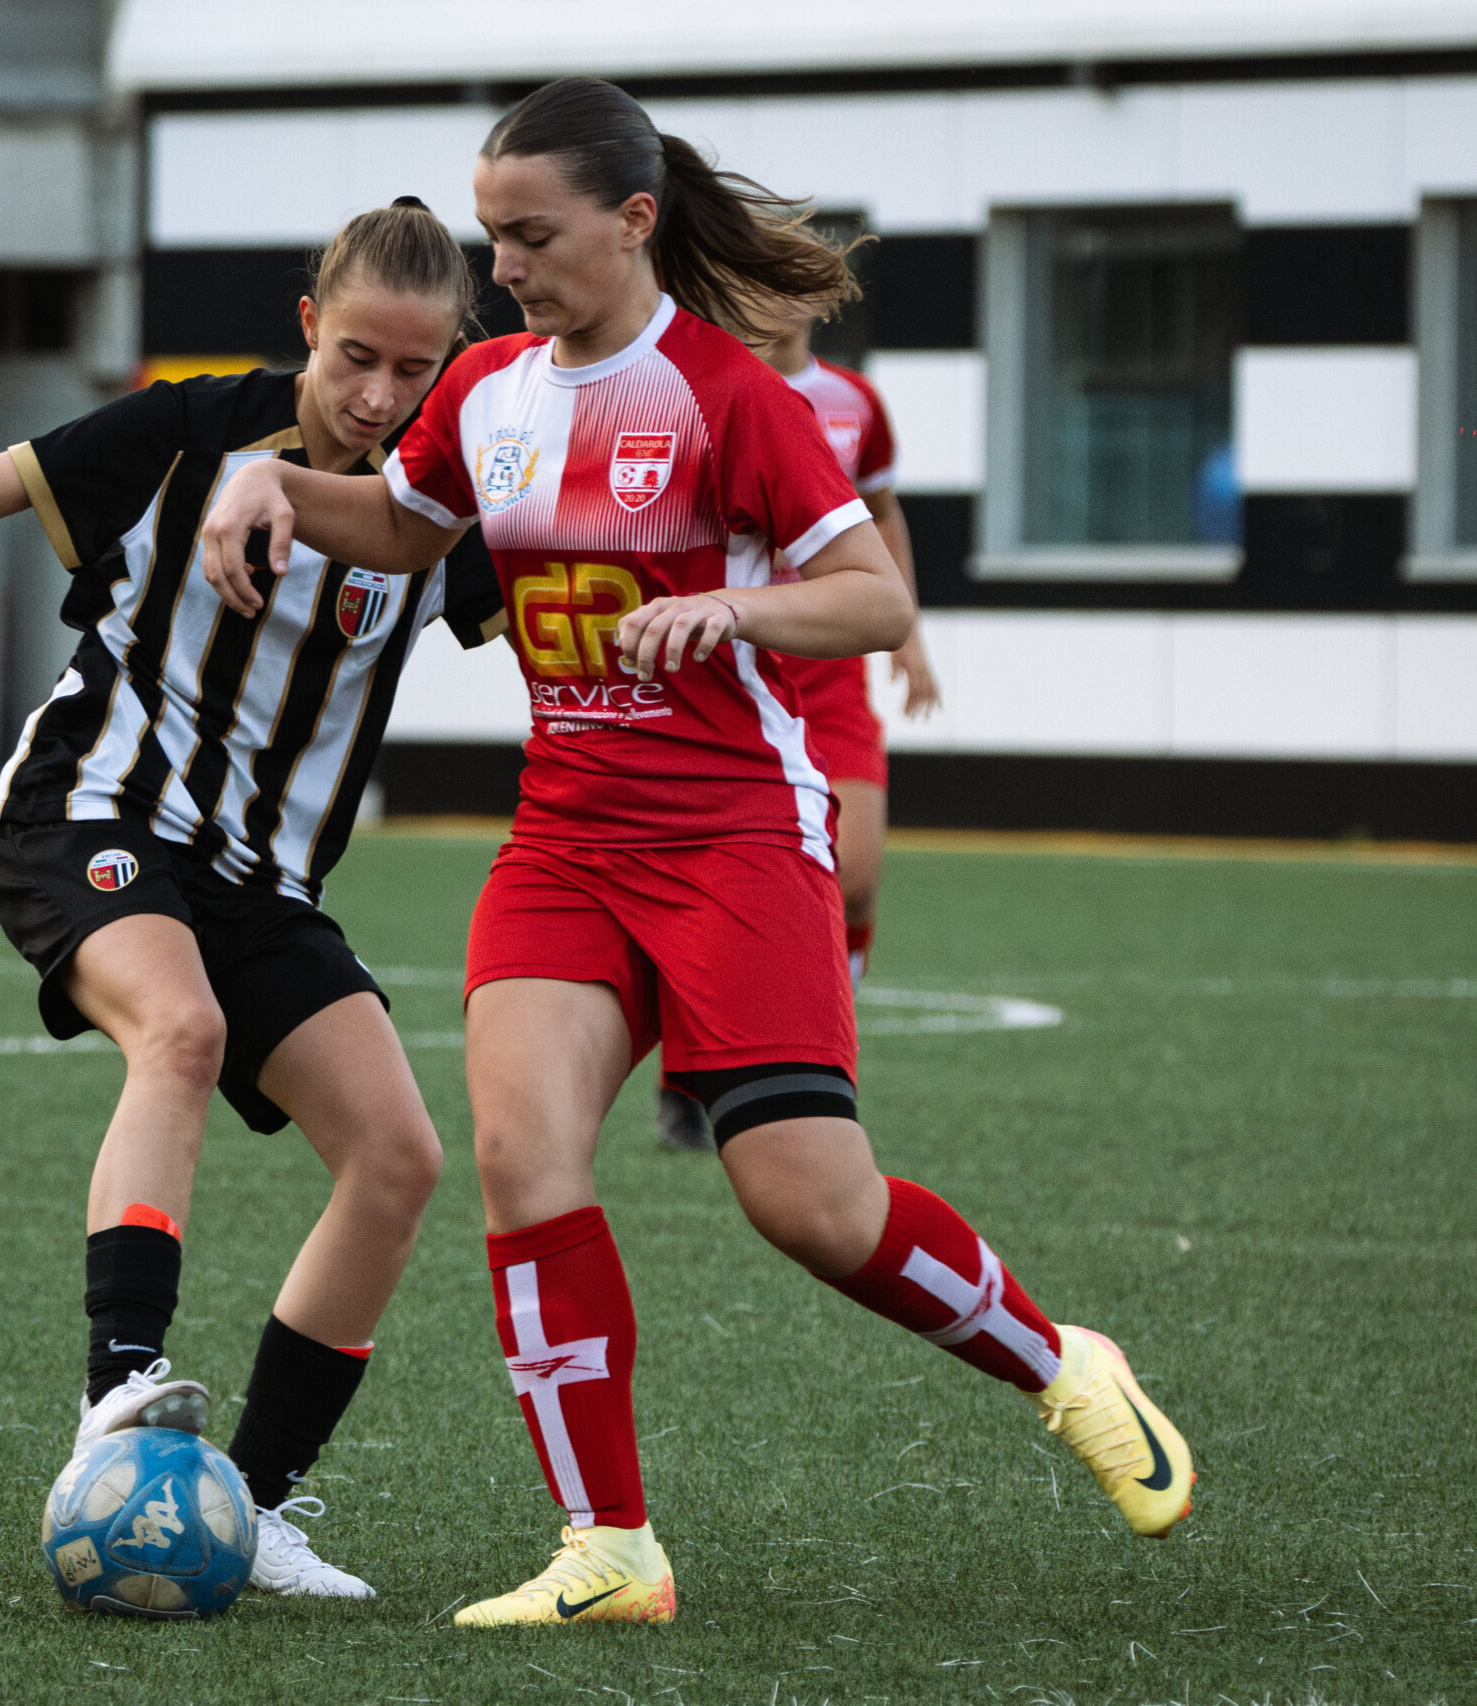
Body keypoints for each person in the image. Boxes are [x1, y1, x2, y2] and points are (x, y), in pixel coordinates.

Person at [194, 79, 1194, 1627]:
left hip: (737, 839)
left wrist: (738, 607)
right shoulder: (488, 392)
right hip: (566, 842)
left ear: (633, 219)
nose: (505, 265)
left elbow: (873, 600)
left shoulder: (731, 399)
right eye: (493, 235)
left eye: (531, 234)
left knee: (808, 1204)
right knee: (524, 1158)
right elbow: (403, 529)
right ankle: (612, 1549)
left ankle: (1067, 1364)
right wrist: (269, 480)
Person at [0, 201, 506, 1599]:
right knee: (176, 1029)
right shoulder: (189, 431)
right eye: (357, 355)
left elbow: (567, 618)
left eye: (413, 372)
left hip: (263, 875)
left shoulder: (443, 505)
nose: (378, 396)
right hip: (95, 810)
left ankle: (252, 1505)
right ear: (310, 325)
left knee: (400, 1156)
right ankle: (117, 1397)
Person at [655, 288, 941, 1151]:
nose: (760, 303)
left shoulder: (856, 404)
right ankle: (687, 1076)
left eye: (772, 283)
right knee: (708, 888)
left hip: (828, 673)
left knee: (854, 874)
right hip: (738, 672)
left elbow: (882, 517)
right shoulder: (707, 394)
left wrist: (911, 637)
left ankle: (828, 1049)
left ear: (814, 297)